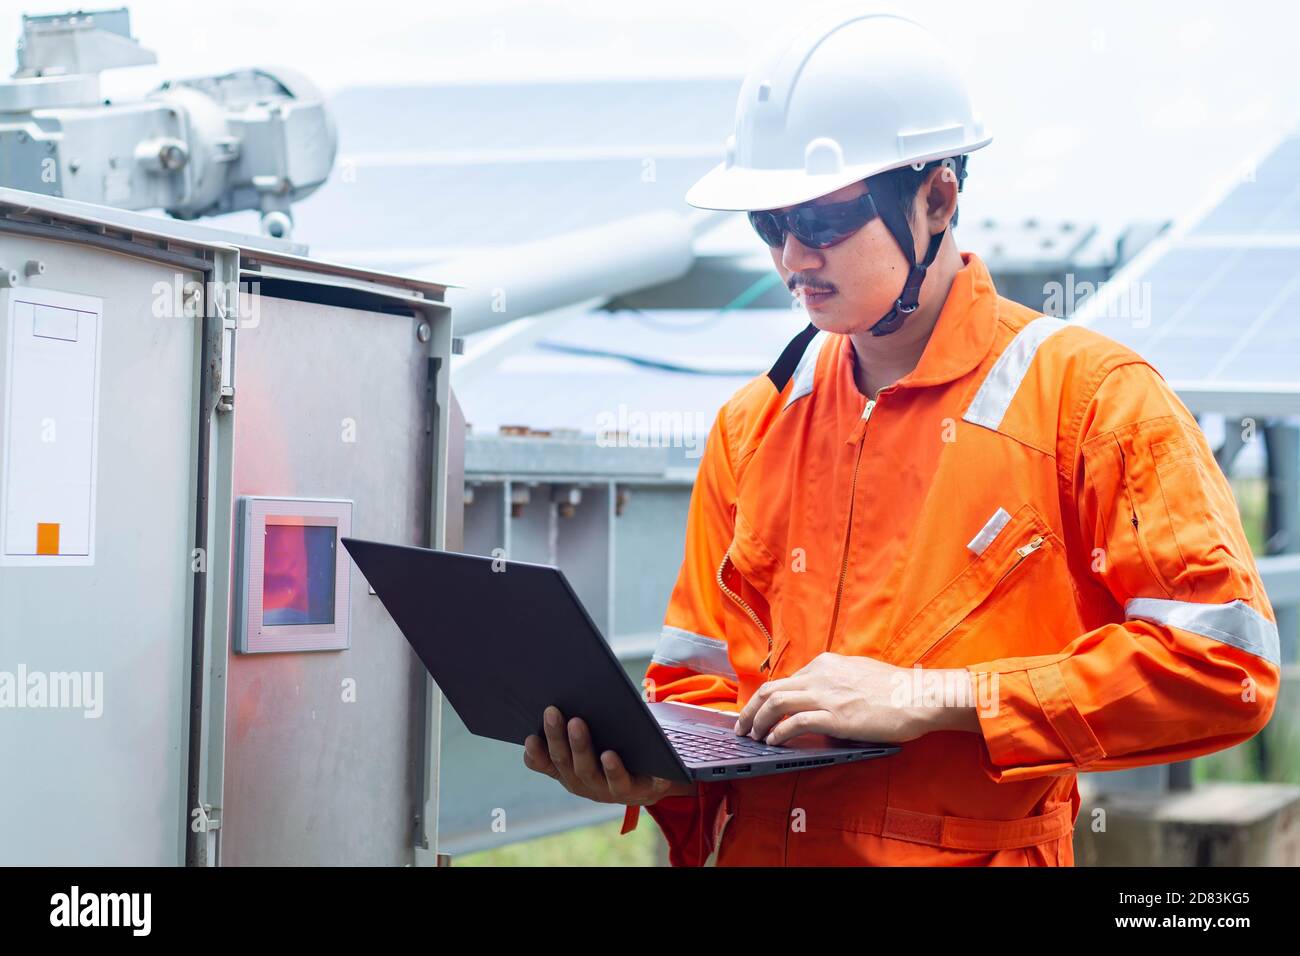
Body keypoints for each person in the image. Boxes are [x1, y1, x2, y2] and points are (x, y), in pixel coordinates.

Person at [522, 10, 1279, 865]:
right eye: (769, 226)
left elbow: (1222, 669)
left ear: (937, 199)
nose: (791, 259)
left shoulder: (1094, 400)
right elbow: (696, 691)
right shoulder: (754, 426)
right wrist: (655, 770)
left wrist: (940, 695)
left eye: (821, 221)